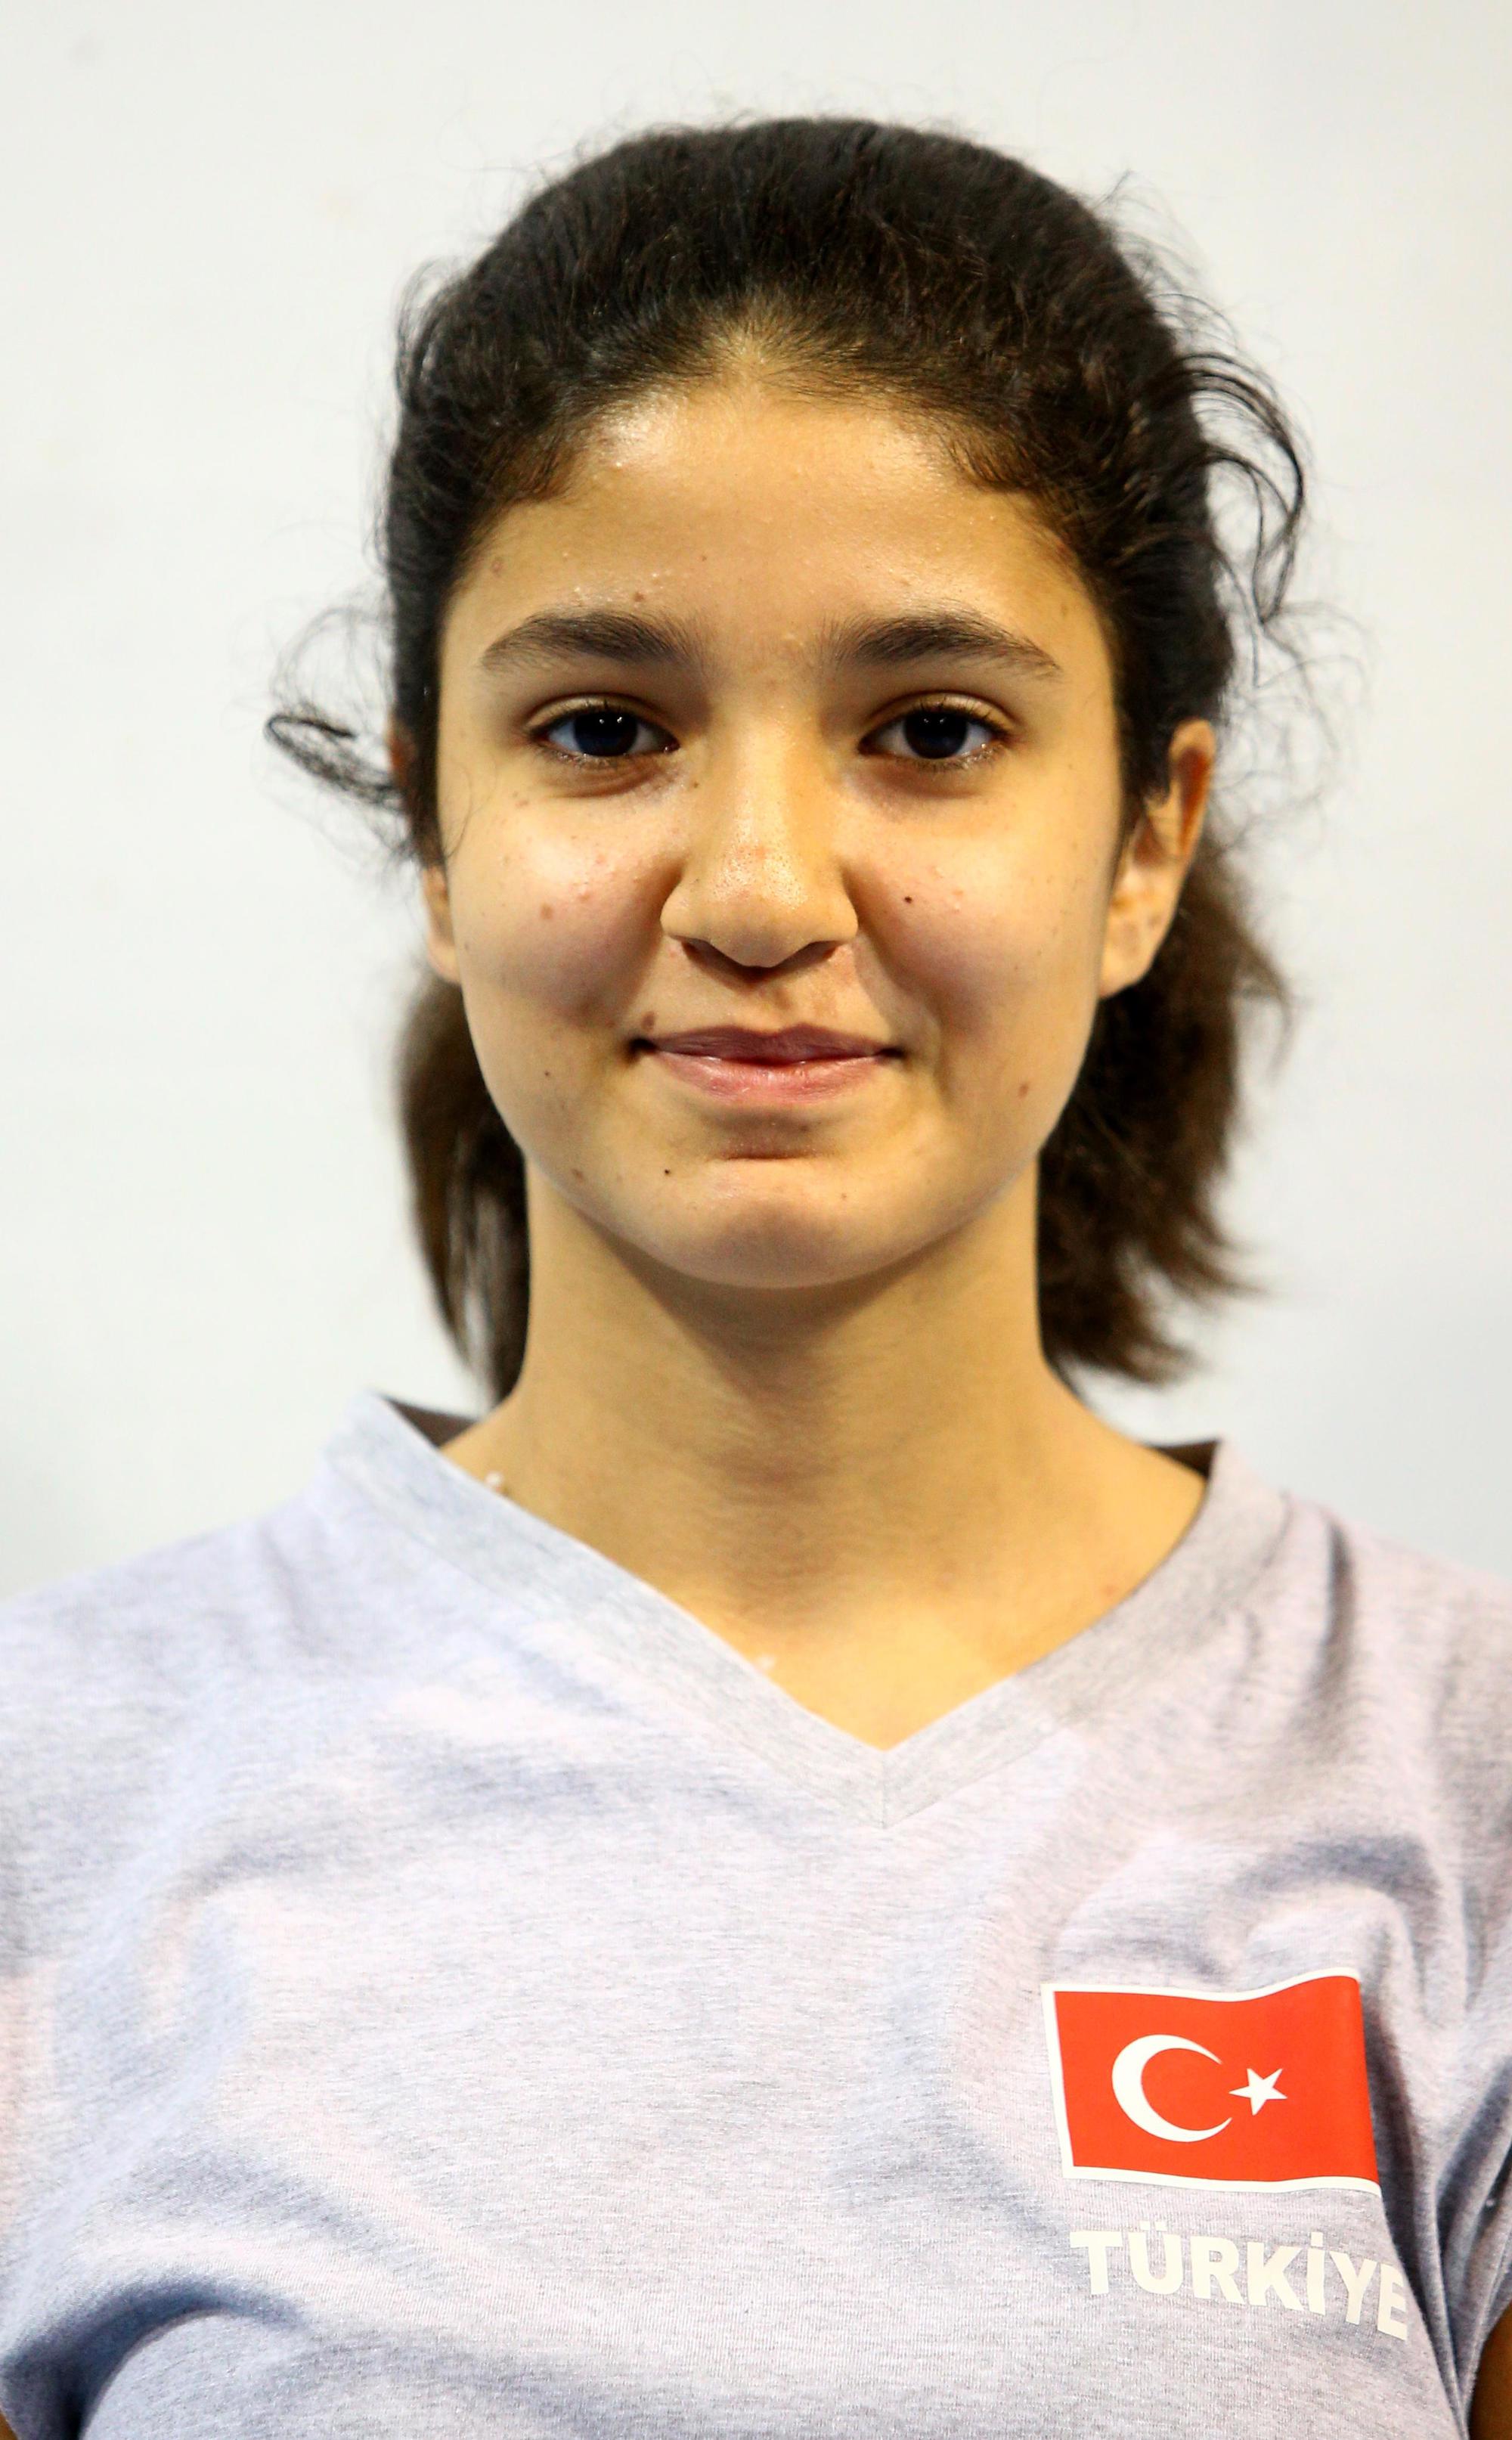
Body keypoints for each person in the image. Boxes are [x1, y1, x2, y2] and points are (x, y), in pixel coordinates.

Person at [1, 116, 1508, 2440]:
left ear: (1146, 840)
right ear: (437, 829)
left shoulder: (1453, 1770)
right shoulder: (61, 1787)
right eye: (605, 729)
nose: (763, 889)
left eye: (933, 732)